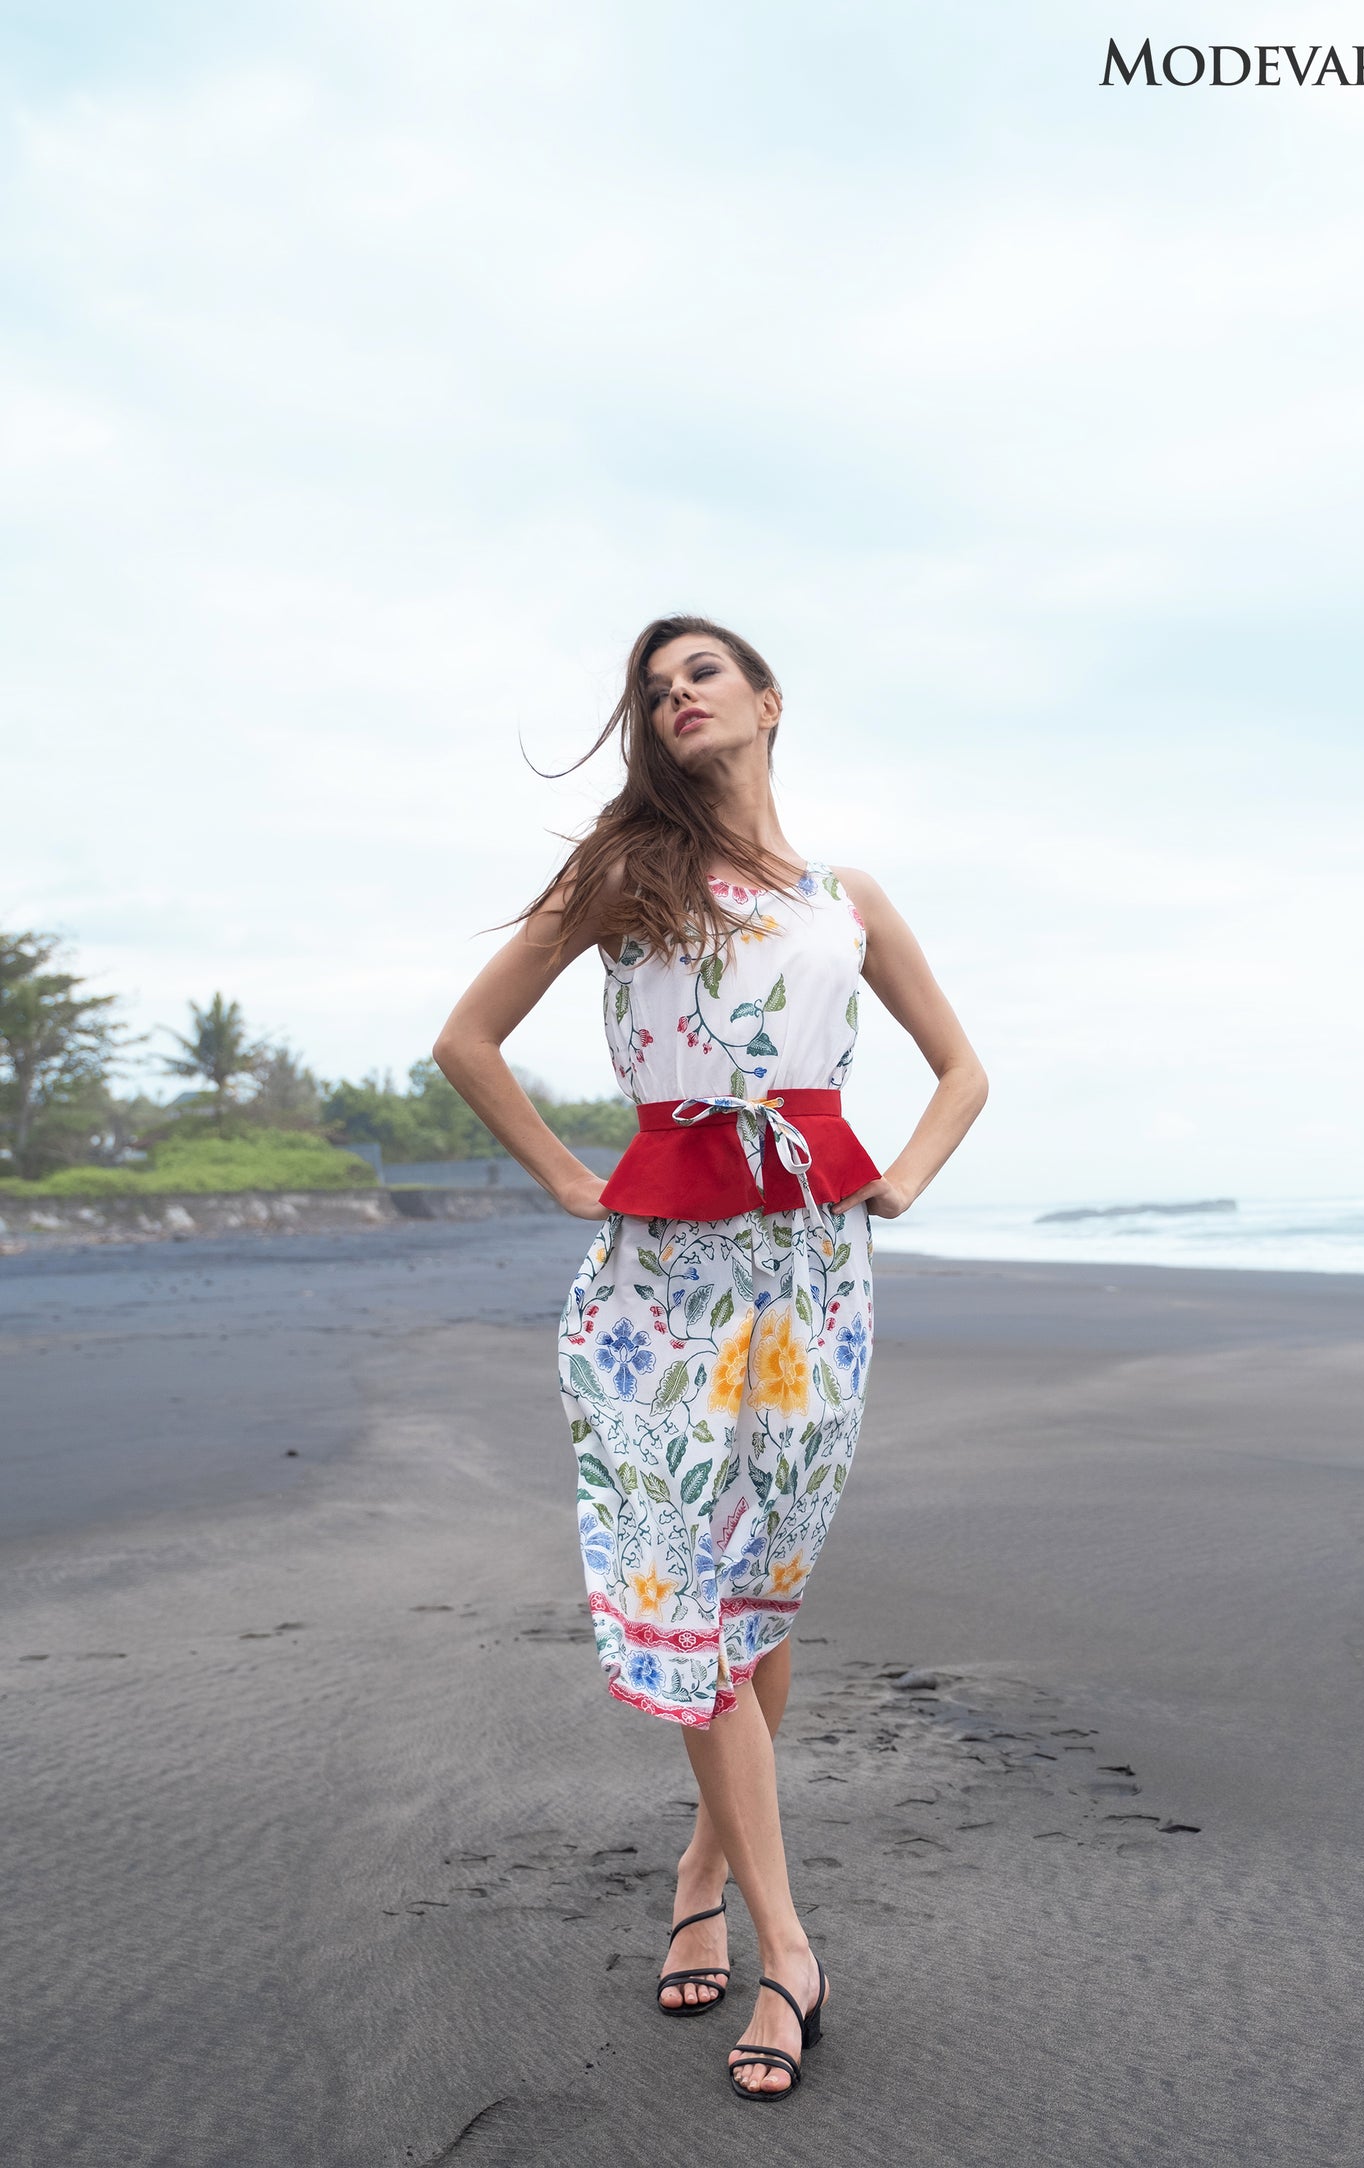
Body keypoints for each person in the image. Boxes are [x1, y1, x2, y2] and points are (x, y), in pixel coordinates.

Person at [433, 615, 987, 2100]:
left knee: (760, 1589)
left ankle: (699, 1869)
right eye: (656, 687)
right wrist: (567, 1178)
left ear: (766, 703)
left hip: (811, 1275)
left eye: (703, 676)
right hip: (660, 1280)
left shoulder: (841, 896)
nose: (678, 697)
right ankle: (789, 1948)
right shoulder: (626, 876)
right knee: (677, 1583)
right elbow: (467, 1043)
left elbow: (962, 1070)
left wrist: (904, 1181)